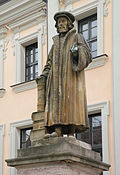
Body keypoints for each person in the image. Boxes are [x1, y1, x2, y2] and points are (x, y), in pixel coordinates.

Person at [37, 11, 92, 137]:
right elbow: (49, 63)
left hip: (70, 77)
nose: (61, 24)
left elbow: (87, 55)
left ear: (69, 24)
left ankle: (72, 132)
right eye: (59, 22)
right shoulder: (55, 43)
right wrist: (44, 76)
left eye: (63, 21)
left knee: (71, 102)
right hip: (55, 80)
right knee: (54, 103)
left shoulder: (77, 37)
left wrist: (77, 54)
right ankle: (57, 130)